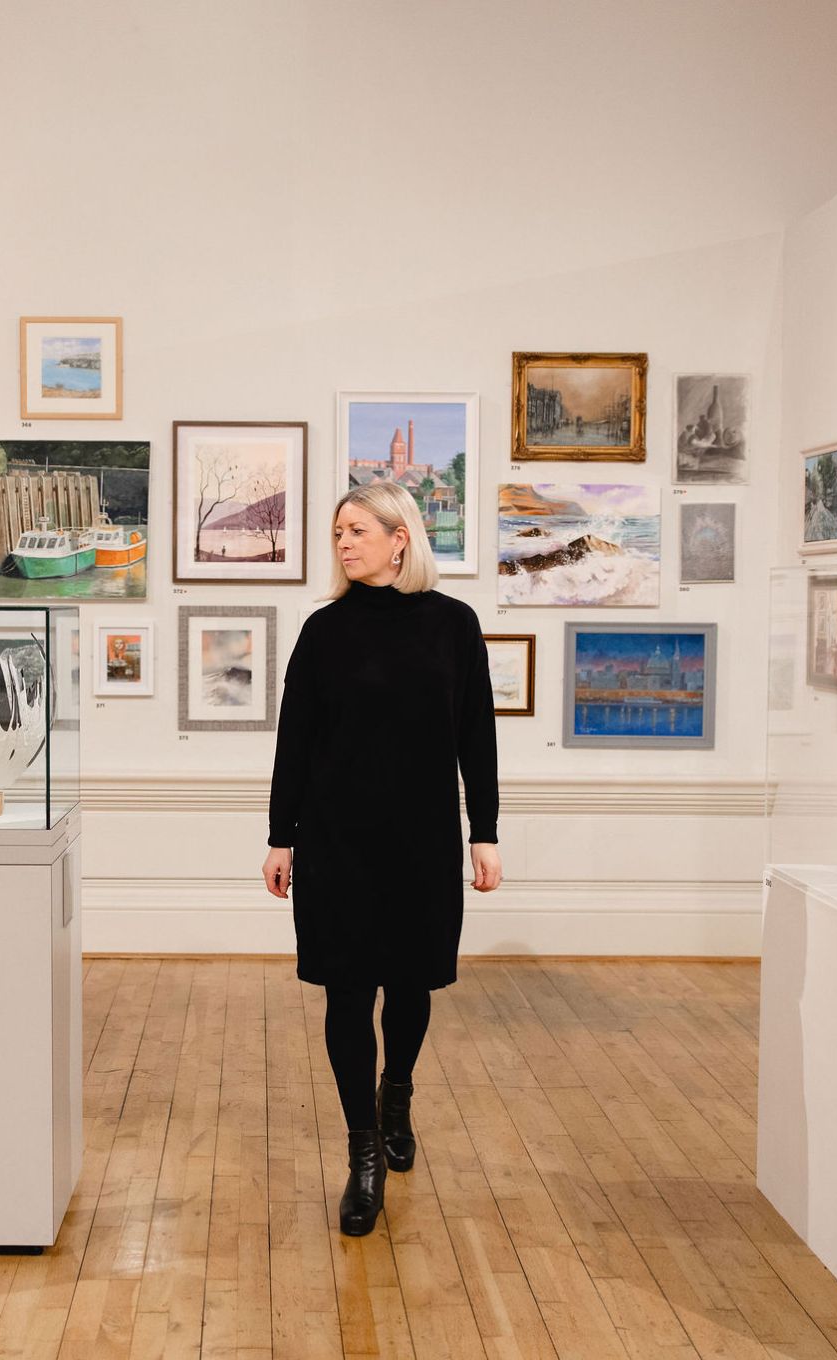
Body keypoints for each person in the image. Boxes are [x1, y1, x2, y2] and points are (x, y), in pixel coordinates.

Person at [263, 481, 501, 1238]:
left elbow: (477, 738)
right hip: (337, 840)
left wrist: (484, 832)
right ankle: (363, 1153)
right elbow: (293, 741)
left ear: (402, 537)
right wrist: (281, 836)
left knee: (411, 985)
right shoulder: (323, 631)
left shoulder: (453, 626)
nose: (343, 542)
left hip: (423, 840)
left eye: (357, 529)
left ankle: (396, 1090)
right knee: (344, 994)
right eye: (337, 532)